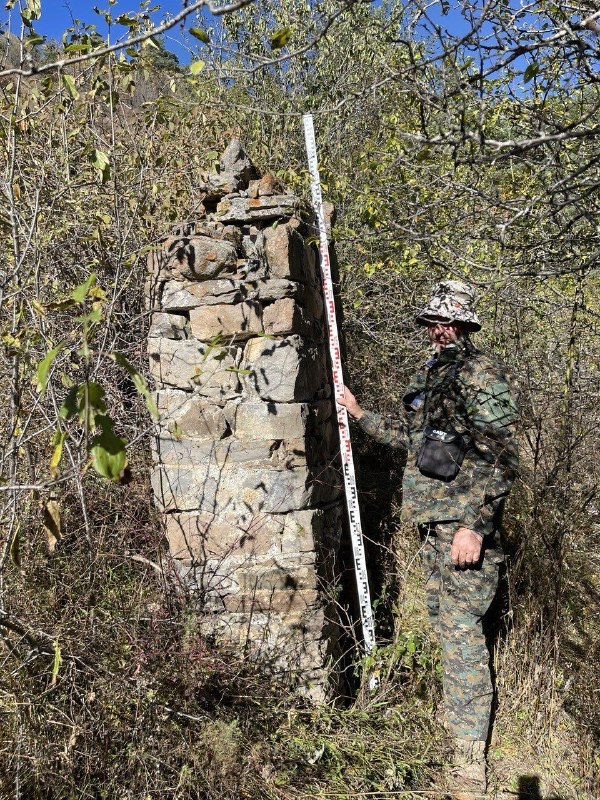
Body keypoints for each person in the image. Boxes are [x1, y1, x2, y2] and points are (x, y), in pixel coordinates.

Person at [339, 280, 519, 800]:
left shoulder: (480, 372)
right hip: (435, 529)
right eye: (431, 323)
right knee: (447, 627)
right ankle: (456, 734)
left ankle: (469, 767)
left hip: (462, 530)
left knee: (462, 636)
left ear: (460, 325)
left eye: (441, 323)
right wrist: (359, 413)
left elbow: (504, 454)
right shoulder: (436, 373)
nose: (434, 331)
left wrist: (476, 526)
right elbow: (416, 441)